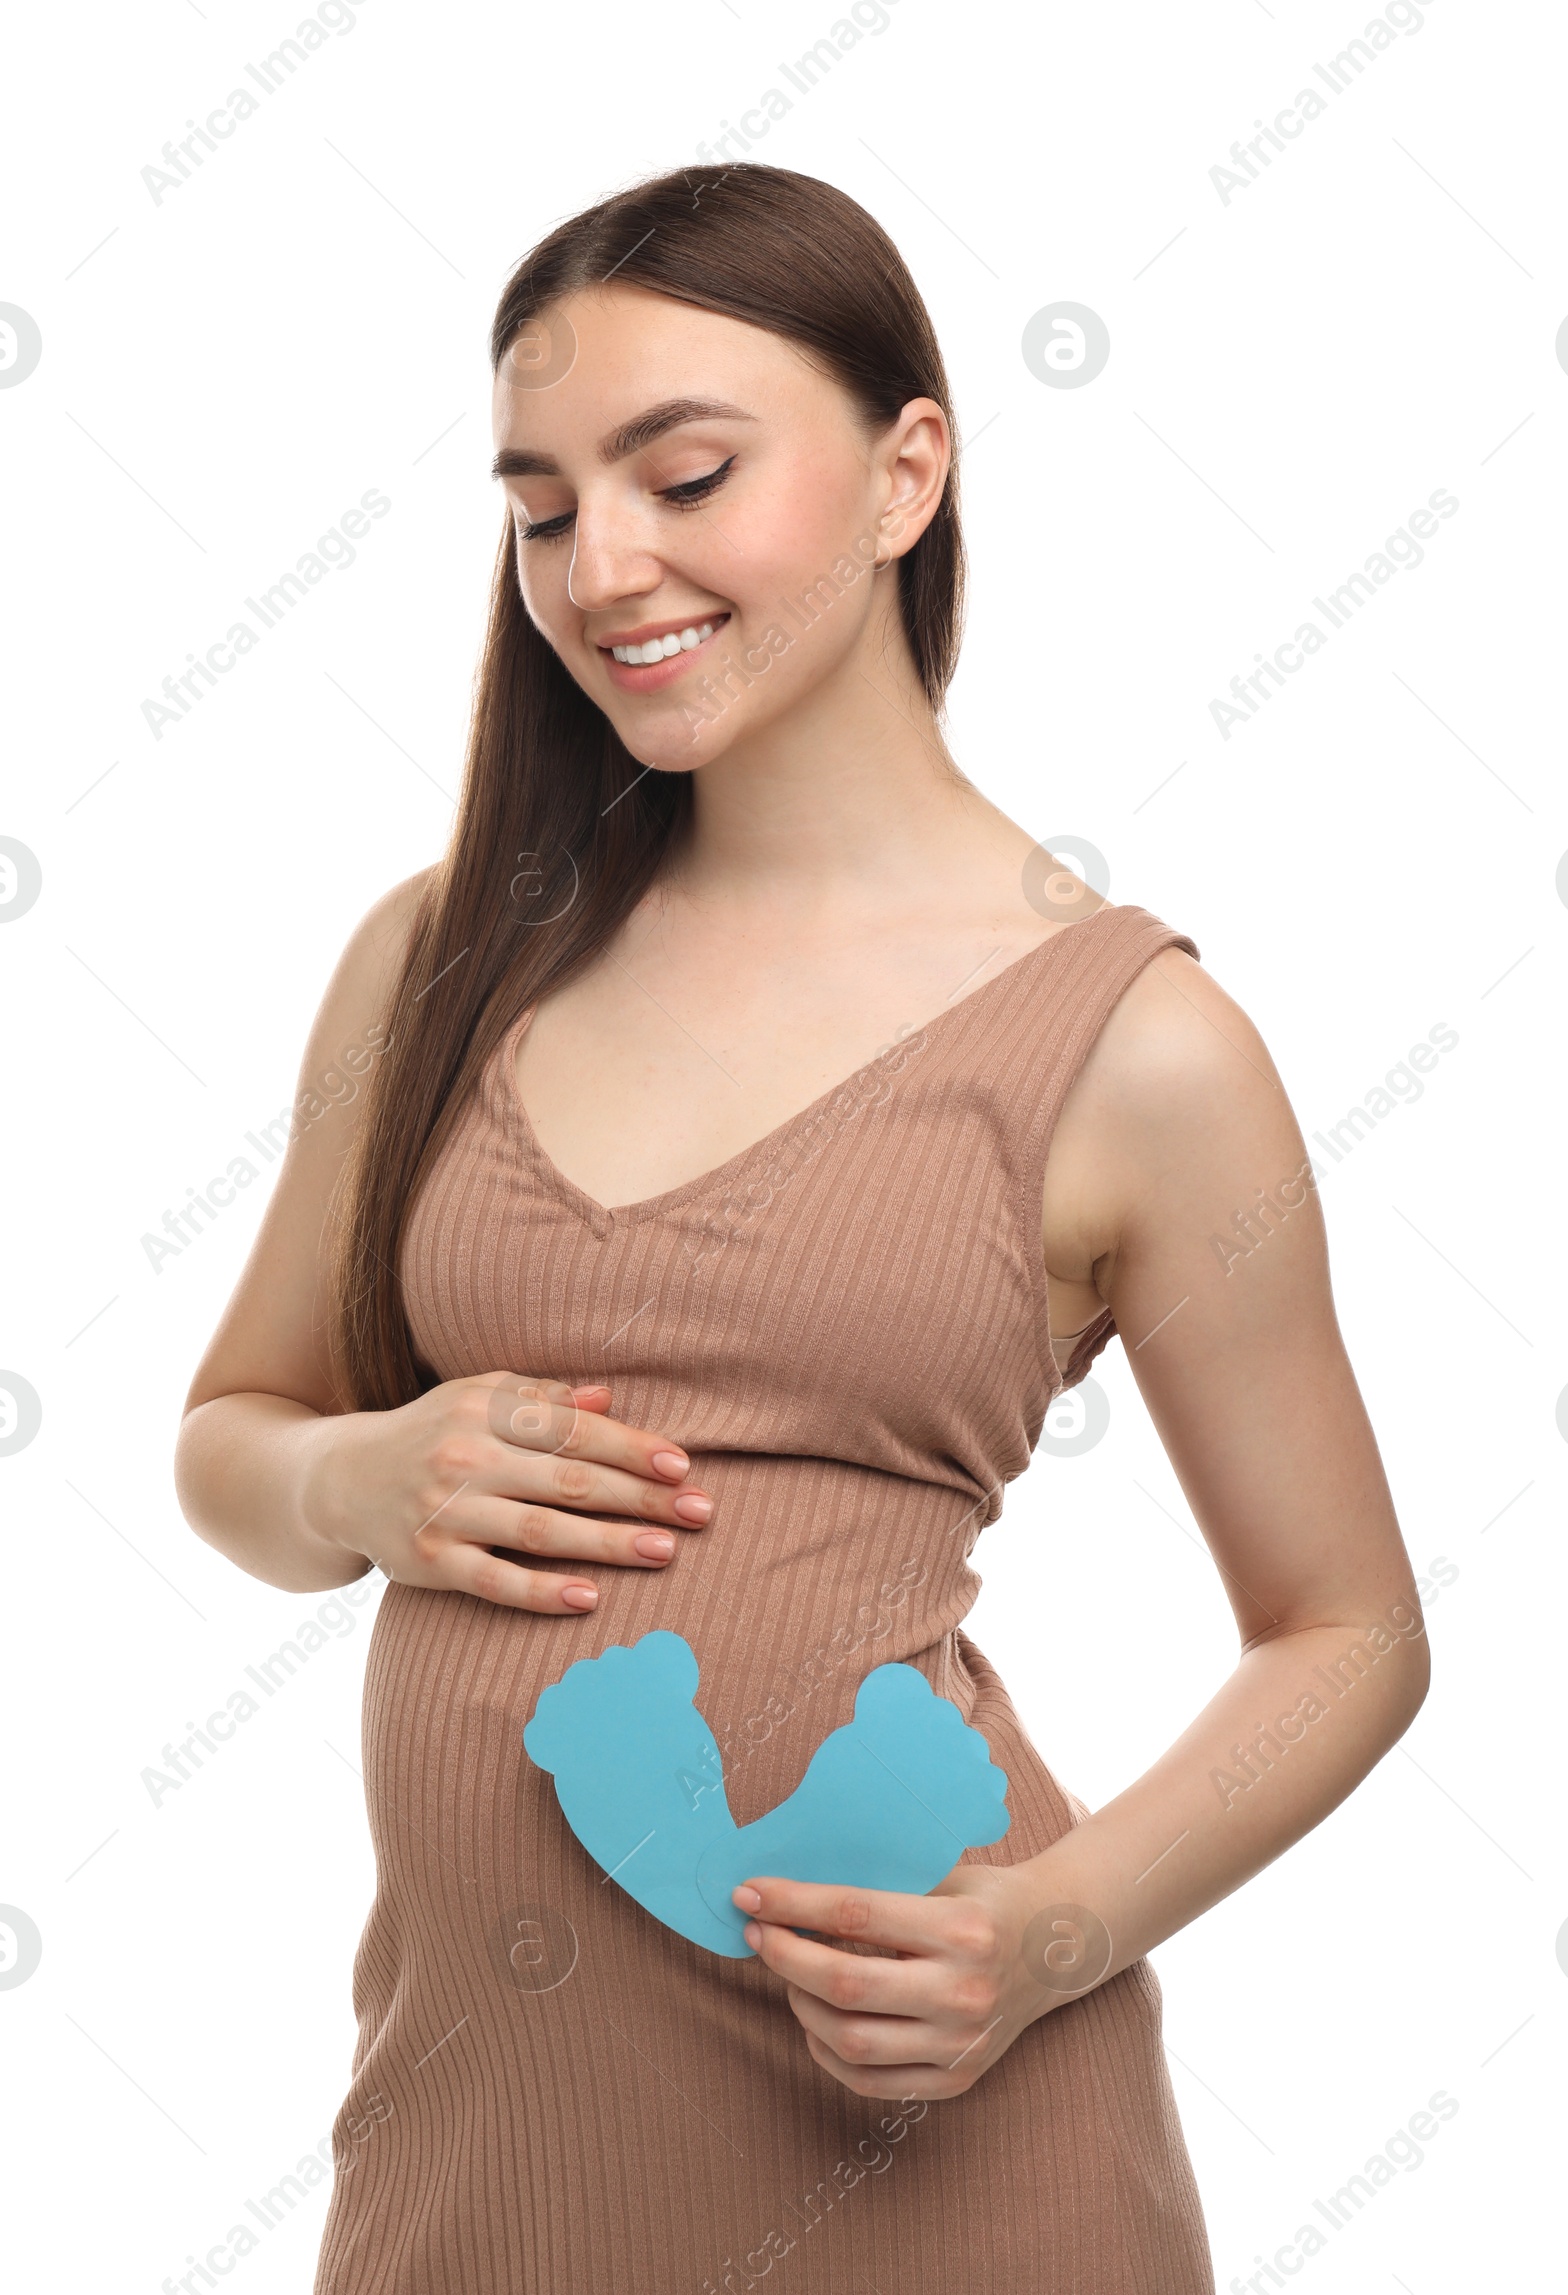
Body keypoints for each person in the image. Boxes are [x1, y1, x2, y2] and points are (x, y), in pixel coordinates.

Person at [174, 163, 1429, 2294]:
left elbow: (1346, 1632)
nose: (602, 564)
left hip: (944, 2168)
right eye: (544, 502)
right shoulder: (445, 952)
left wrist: (1054, 1927)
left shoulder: (1138, 1047)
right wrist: (356, 1473)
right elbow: (237, 1436)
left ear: (901, 470)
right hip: (481, 2164)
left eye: (684, 474)